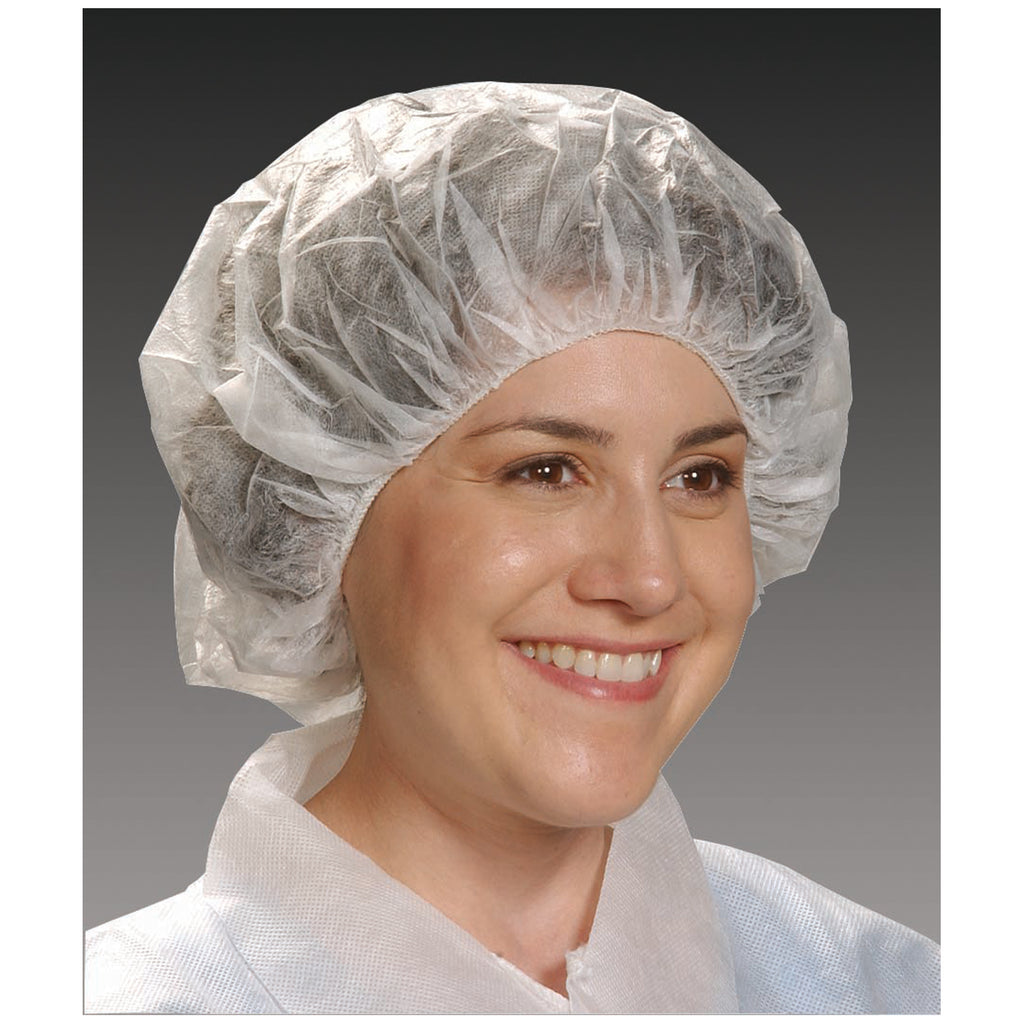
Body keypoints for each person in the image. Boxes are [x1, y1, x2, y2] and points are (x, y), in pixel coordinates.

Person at [85, 82, 939, 1013]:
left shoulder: (878, 989)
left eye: (700, 477)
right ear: (310, 507)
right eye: (546, 471)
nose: (650, 578)